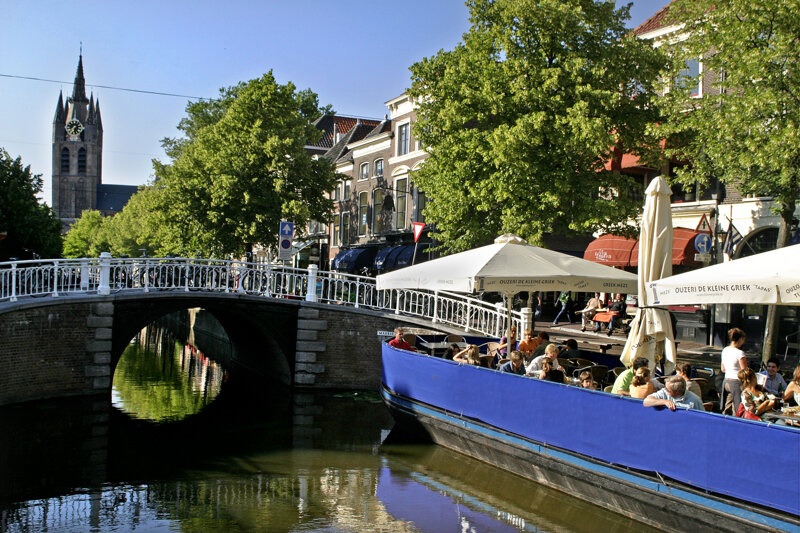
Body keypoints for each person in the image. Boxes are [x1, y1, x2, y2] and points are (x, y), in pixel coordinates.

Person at [720, 328, 748, 414]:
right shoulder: (740, 353)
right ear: (741, 339)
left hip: (726, 381)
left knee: (726, 406)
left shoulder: (725, 350)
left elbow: (723, 369)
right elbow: (745, 371)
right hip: (736, 382)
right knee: (737, 407)